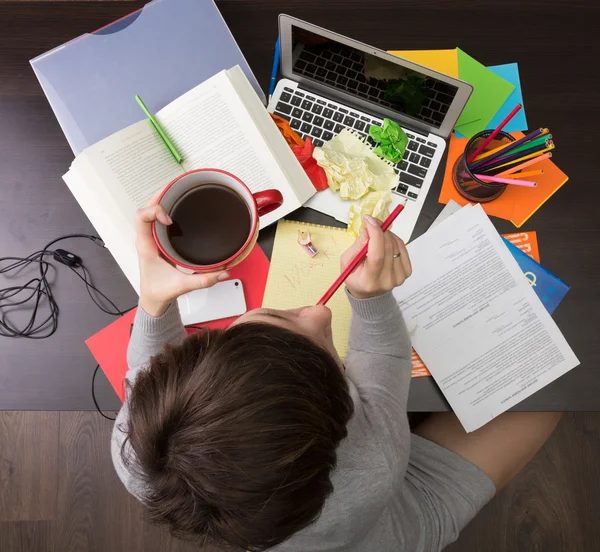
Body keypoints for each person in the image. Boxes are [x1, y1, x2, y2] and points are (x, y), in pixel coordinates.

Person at [112, 201, 562, 552]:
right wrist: (370, 296)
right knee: (548, 395)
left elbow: (148, 365)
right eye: (330, 352)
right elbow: (382, 350)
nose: (319, 311)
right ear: (342, 416)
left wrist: (153, 299)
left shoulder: (142, 441)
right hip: (395, 520)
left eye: (276, 315)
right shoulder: (372, 462)